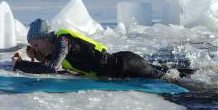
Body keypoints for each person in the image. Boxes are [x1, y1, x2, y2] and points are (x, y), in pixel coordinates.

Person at [12, 19, 163, 78]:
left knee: (170, 79)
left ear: (46, 38)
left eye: (36, 45)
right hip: (120, 69)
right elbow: (53, 61)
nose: (36, 49)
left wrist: (19, 64)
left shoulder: (63, 41)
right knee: (168, 74)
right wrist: (37, 56)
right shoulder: (57, 48)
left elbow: (52, 67)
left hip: (127, 65)